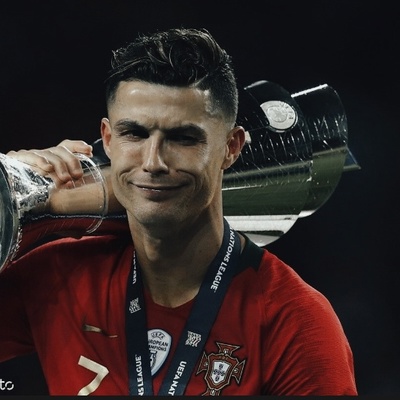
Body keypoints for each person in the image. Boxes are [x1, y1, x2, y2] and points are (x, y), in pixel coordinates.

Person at [0, 28, 357, 396]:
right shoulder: (57, 278)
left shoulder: (295, 323)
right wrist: (14, 197)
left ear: (231, 148)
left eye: (183, 138)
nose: (153, 162)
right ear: (107, 139)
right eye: (134, 134)